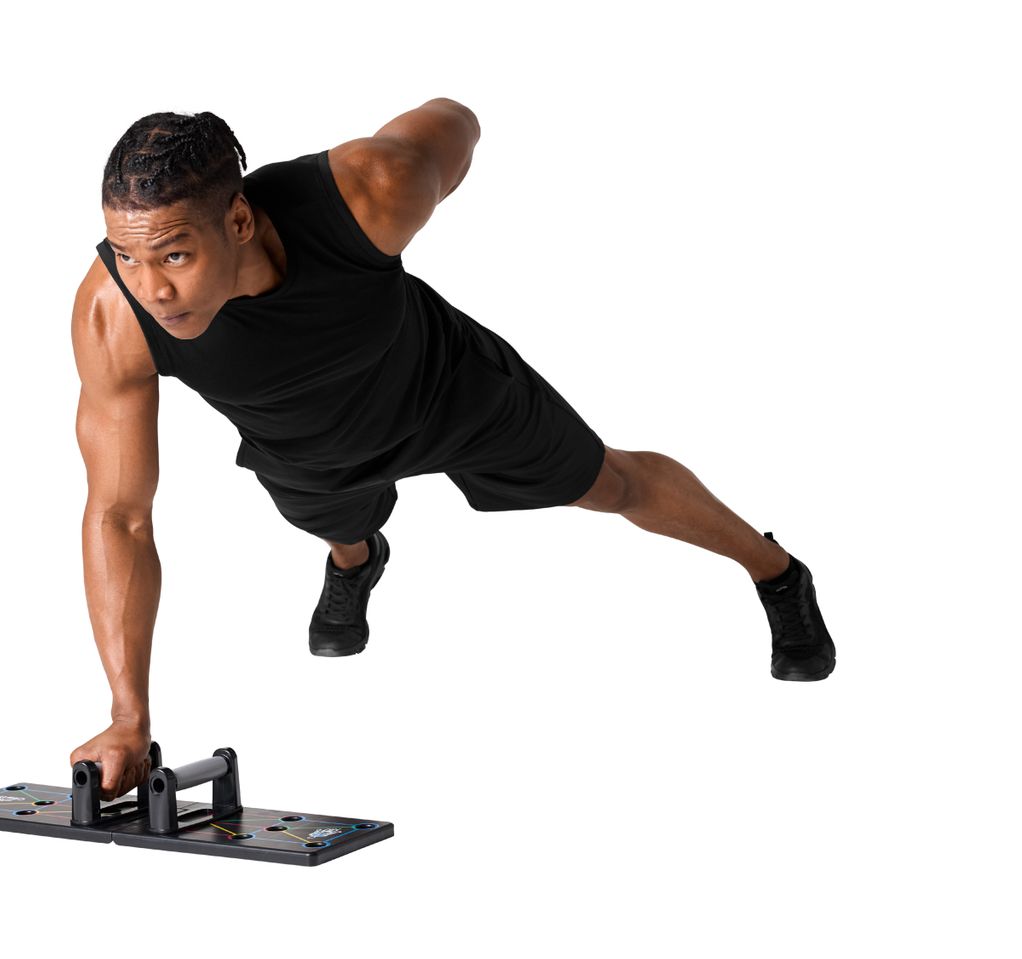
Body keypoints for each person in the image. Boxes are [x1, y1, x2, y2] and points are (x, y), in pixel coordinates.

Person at [68, 102, 837, 800]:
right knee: (335, 526)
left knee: (608, 481)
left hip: (447, 389)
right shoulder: (116, 314)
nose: (153, 291)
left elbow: (453, 123)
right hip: (307, 448)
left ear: (238, 221)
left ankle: (775, 571)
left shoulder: (370, 193)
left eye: (172, 256)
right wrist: (127, 716)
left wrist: (439, 165)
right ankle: (356, 562)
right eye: (128, 257)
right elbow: (120, 514)